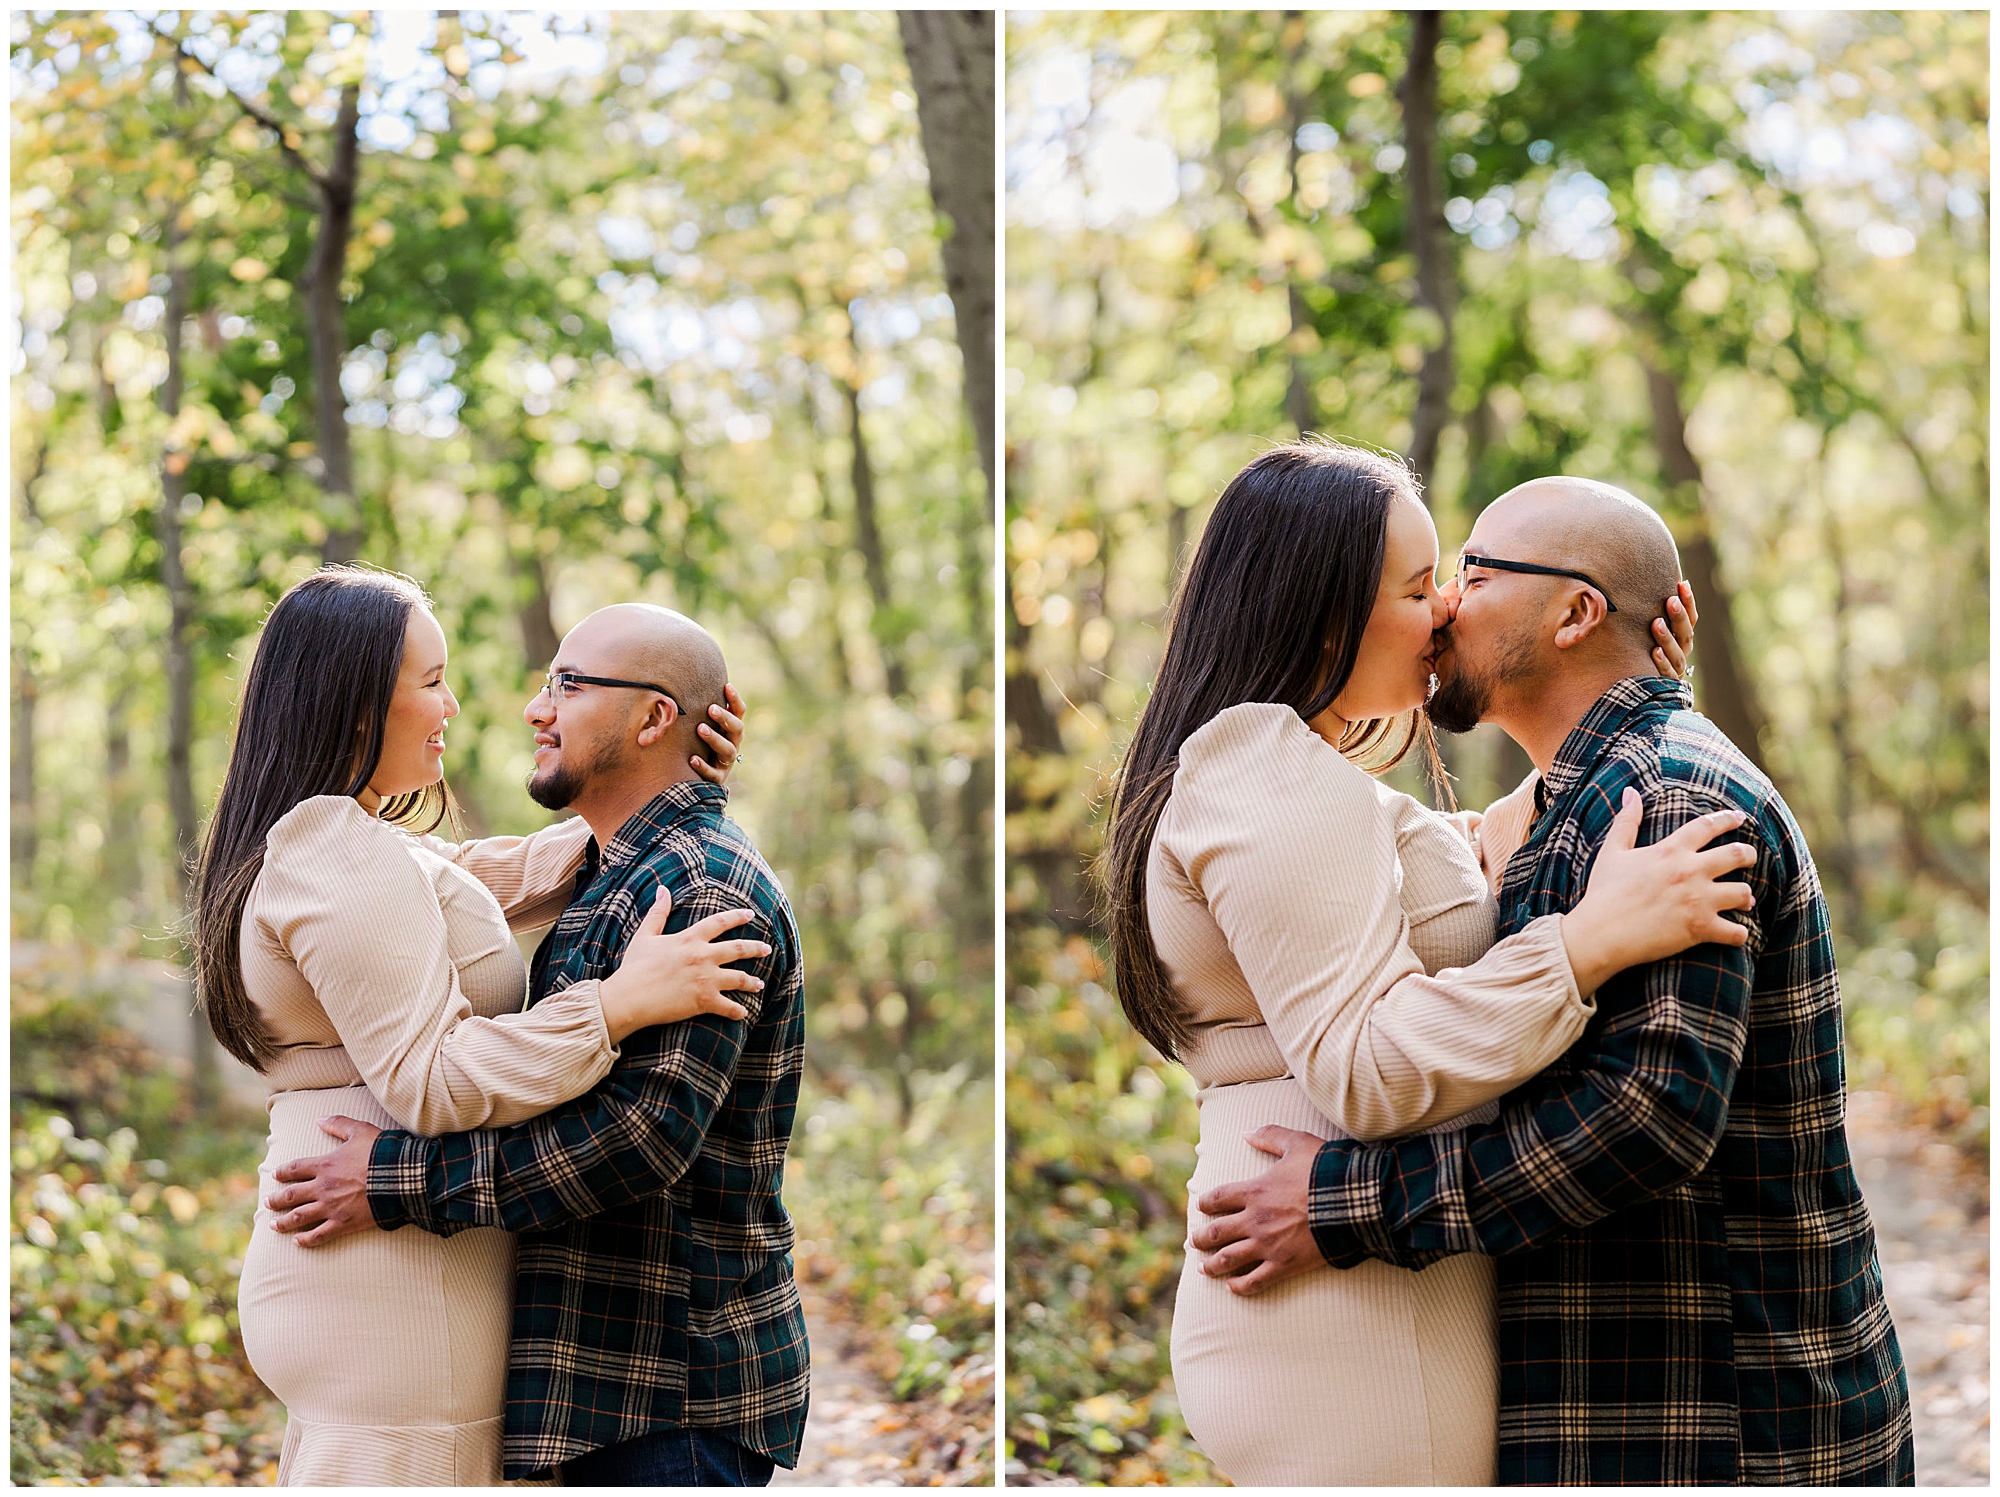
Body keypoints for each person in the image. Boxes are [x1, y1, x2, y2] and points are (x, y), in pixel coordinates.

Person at [1191, 475, 1915, 1485]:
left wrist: (1344, 1205)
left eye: (1474, 574)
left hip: (1718, 1419)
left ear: (1574, 611)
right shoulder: (1583, 800)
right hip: (1620, 1403)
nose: (1443, 604)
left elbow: (1645, 1116)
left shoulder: (1662, 802)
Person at [1100, 441, 1760, 1486]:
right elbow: (1362, 1069)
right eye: (1417, 587)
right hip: (1350, 1323)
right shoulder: (1274, 778)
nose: (1446, 608)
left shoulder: (1295, 777)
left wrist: (1622, 682)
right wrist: (1584, 945)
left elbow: (1462, 869)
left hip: (1359, 1304)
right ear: (1323, 613)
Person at [194, 566, 760, 1486]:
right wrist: (617, 1004)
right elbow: (429, 1078)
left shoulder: (360, 846)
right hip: (389, 1287)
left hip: (380, 1278)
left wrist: (662, 779)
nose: (452, 701)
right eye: (430, 680)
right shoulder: (334, 847)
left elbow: (477, 879)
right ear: (355, 700)